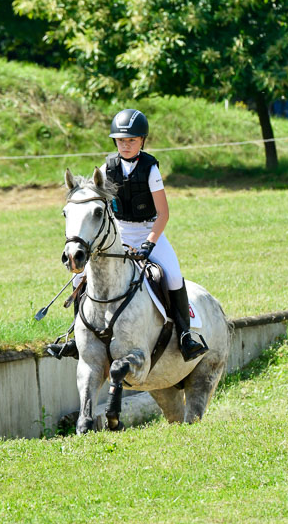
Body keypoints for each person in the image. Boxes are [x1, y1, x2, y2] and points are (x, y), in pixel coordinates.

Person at [48, 108, 208, 362]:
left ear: (142, 141)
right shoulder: (106, 168)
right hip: (119, 233)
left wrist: (149, 243)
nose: (125, 145)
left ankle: (186, 336)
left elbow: (163, 214)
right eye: (121, 140)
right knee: (80, 280)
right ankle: (76, 341)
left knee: (174, 276)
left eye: (131, 140)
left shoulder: (150, 169)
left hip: (148, 231)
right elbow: (91, 202)